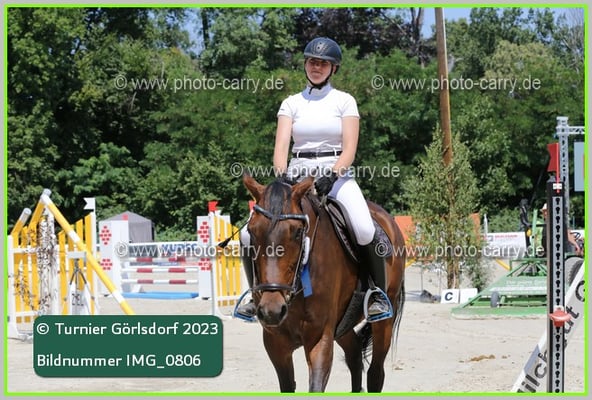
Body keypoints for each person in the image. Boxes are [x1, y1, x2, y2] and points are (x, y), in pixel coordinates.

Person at [235, 37, 392, 322]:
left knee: (364, 228)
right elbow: (281, 147)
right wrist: (282, 176)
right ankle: (253, 294)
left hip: (336, 174)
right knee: (247, 233)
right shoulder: (291, 103)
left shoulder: (344, 101)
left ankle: (376, 294)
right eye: (311, 62)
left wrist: (332, 176)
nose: (316, 67)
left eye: (322, 63)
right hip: (296, 175)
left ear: (333, 68)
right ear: (305, 65)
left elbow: (350, 149)